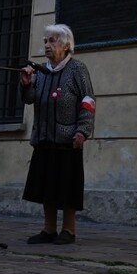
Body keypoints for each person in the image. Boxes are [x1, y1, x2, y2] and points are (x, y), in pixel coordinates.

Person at [20, 23, 96, 245]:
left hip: (67, 140)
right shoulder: (41, 71)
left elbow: (88, 101)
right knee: (46, 187)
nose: (47, 45)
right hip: (44, 138)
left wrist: (82, 131)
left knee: (67, 187)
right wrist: (26, 85)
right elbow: (30, 99)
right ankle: (49, 229)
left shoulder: (77, 69)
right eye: (45, 41)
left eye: (52, 41)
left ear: (66, 45)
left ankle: (69, 230)